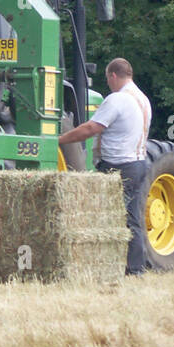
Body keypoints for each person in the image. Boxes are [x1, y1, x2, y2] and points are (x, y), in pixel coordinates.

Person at [58, 58, 152, 275]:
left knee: (112, 219)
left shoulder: (117, 99)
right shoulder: (143, 99)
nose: (108, 84)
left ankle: (127, 268)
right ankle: (134, 268)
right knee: (131, 218)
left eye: (108, 79)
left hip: (118, 167)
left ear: (113, 76)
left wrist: (60, 140)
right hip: (138, 163)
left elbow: (91, 128)